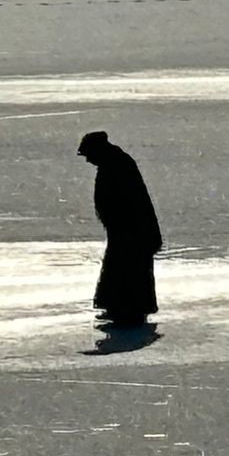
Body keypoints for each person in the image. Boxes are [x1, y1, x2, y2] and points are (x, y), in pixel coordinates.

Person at [78, 130, 163, 328]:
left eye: (88, 155)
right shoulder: (115, 163)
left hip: (131, 232)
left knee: (128, 270)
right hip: (126, 231)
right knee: (126, 270)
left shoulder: (116, 165)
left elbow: (129, 203)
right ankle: (124, 306)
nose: (88, 160)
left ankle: (127, 307)